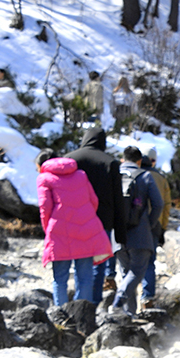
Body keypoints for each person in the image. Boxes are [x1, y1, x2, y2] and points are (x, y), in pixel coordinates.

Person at [36, 150, 111, 306]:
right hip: (86, 228)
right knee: (85, 277)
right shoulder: (81, 175)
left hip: (59, 231)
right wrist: (84, 217)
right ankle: (83, 316)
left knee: (60, 279)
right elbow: (94, 200)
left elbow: (45, 207)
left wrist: (48, 229)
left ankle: (62, 318)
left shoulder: (44, 178)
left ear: (41, 165)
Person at [63, 126, 123, 302]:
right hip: (102, 220)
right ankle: (94, 303)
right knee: (98, 264)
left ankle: (79, 302)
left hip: (74, 219)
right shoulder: (110, 162)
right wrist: (121, 231)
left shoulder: (69, 159)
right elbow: (117, 198)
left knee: (79, 263)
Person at [114, 146, 164, 316]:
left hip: (118, 233)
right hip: (139, 232)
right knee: (136, 272)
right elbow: (159, 204)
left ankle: (130, 314)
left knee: (125, 272)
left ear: (123, 159)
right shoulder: (145, 176)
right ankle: (118, 302)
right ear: (138, 161)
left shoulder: (114, 175)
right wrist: (148, 225)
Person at [139, 149, 172, 309]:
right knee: (149, 262)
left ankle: (126, 299)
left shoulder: (133, 175)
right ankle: (147, 298)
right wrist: (163, 228)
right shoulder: (161, 179)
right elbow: (165, 206)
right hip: (154, 225)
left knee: (128, 262)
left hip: (132, 224)